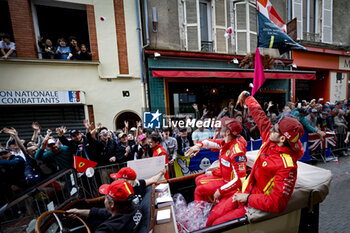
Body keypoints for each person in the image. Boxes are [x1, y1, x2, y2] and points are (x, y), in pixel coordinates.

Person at [204, 91, 304, 227]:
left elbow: (277, 203)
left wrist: (247, 198)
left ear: (282, 139)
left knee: (216, 224)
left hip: (252, 204)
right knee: (213, 217)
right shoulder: (271, 138)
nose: (271, 129)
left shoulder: (288, 167)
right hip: (244, 191)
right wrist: (247, 97)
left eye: (275, 128)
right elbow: (260, 116)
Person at [185, 117, 247, 204]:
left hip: (231, 185)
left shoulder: (237, 151)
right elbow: (209, 142)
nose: (219, 128)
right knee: (198, 179)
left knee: (198, 190)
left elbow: (240, 179)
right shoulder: (225, 142)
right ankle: (207, 206)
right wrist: (198, 146)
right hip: (224, 178)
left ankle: (199, 215)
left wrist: (220, 191)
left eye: (222, 127)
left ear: (227, 132)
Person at [67, 180, 142, 233]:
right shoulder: (132, 206)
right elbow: (102, 212)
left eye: (106, 197)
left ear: (112, 204)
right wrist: (78, 212)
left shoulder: (106, 229)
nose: (104, 199)